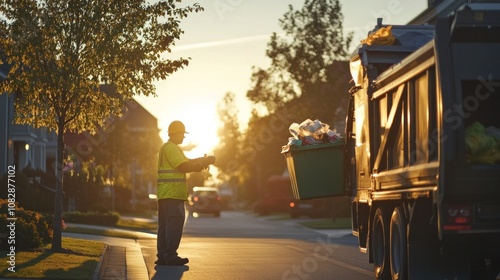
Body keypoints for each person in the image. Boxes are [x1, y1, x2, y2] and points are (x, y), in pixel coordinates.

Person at [156, 120, 216, 266]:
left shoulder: (168, 148)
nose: (184, 137)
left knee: (165, 225)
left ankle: (163, 255)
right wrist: (202, 164)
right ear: (175, 134)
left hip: (165, 194)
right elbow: (184, 166)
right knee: (174, 224)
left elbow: (187, 161)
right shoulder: (171, 148)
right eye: (182, 134)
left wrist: (203, 159)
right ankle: (170, 255)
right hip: (173, 194)